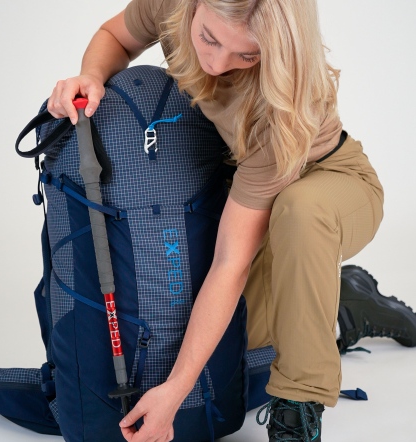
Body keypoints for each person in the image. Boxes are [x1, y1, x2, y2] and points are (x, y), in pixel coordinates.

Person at [47, 1, 416, 440]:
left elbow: (230, 263)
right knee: (238, 351)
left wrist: (178, 391)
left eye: (247, 55)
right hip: (245, 193)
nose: (218, 63)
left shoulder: (280, 110)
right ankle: (344, 306)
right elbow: (116, 36)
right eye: (209, 38)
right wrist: (91, 75)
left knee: (300, 211)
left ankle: (299, 407)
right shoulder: (172, 5)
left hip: (327, 184)